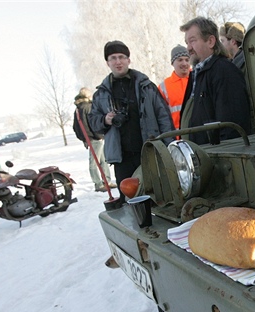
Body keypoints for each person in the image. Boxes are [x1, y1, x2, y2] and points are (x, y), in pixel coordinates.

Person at [88, 40, 175, 199]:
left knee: (159, 195)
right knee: (130, 200)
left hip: (149, 151)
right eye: (113, 58)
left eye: (122, 57)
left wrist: (169, 146)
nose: (118, 61)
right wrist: (105, 120)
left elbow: (163, 117)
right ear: (107, 62)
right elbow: (93, 123)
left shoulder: (146, 86)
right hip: (122, 158)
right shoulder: (101, 93)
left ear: (129, 60)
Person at [180, 17, 251, 145]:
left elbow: (232, 129)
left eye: (192, 41)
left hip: (216, 158)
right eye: (187, 43)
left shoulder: (224, 72)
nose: (188, 48)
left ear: (211, 41)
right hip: (200, 156)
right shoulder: (197, 74)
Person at [73, 87, 115, 192]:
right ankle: (99, 184)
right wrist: (99, 135)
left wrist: (83, 138)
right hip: (95, 138)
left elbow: (76, 127)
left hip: (90, 139)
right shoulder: (88, 107)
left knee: (102, 160)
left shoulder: (78, 109)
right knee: (95, 162)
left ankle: (107, 181)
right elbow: (92, 123)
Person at [158, 45, 191, 130]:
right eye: (180, 60)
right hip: (176, 136)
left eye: (187, 60)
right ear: (172, 63)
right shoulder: (164, 87)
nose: (184, 63)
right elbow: (161, 116)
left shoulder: (198, 79)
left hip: (198, 132)